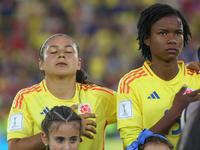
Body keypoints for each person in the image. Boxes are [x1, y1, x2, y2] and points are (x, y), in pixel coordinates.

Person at [7, 33, 117, 150]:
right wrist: (63, 128)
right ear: (41, 64)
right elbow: (14, 147)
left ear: (79, 63)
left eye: (69, 52)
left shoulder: (101, 97)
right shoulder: (25, 98)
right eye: (53, 52)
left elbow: (137, 111)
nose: (61, 55)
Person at [117, 3, 200, 150]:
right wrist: (176, 110)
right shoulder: (130, 84)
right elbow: (132, 147)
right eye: (163, 33)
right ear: (146, 39)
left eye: (178, 33)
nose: (172, 39)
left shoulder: (197, 76)